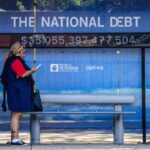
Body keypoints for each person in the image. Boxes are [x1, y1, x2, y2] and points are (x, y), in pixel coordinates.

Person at [1, 41, 37, 145]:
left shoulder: (10, 60)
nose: (24, 54)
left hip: (13, 91)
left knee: (15, 114)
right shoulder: (15, 61)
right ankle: (15, 139)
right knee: (16, 115)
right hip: (16, 92)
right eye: (23, 52)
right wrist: (32, 71)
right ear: (18, 51)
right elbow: (22, 74)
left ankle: (14, 139)